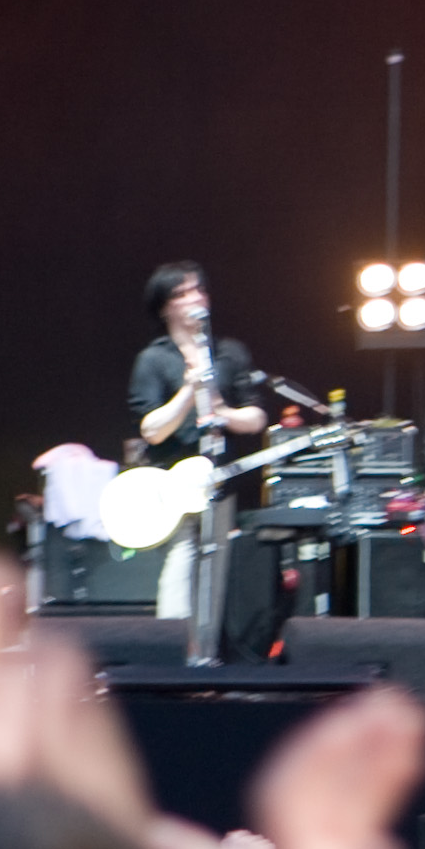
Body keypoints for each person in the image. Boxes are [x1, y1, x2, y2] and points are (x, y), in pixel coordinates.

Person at [122, 262, 267, 624]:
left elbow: (256, 418)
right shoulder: (154, 360)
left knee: (222, 576)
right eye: (182, 293)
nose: (195, 298)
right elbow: (152, 429)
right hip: (176, 485)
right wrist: (190, 388)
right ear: (165, 307)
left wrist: (223, 412)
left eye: (198, 290)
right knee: (182, 564)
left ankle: (214, 646)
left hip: (224, 482)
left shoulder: (230, 353)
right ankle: (173, 643)